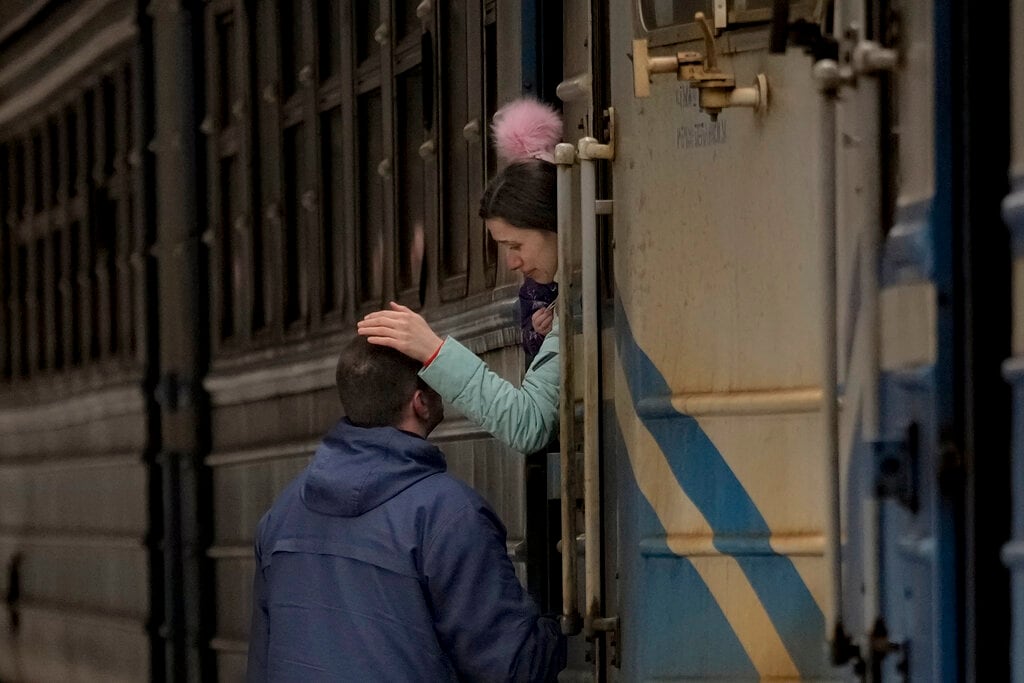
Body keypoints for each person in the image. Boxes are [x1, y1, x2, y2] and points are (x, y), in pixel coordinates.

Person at [246, 337, 566, 682]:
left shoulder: (281, 515)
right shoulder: (448, 515)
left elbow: (263, 663)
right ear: (420, 403)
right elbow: (514, 667)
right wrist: (560, 618)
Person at [358, 98, 562, 454]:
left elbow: (529, 423)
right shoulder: (564, 302)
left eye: (516, 244)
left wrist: (434, 351)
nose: (512, 262)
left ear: (556, 226)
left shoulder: (573, 304)